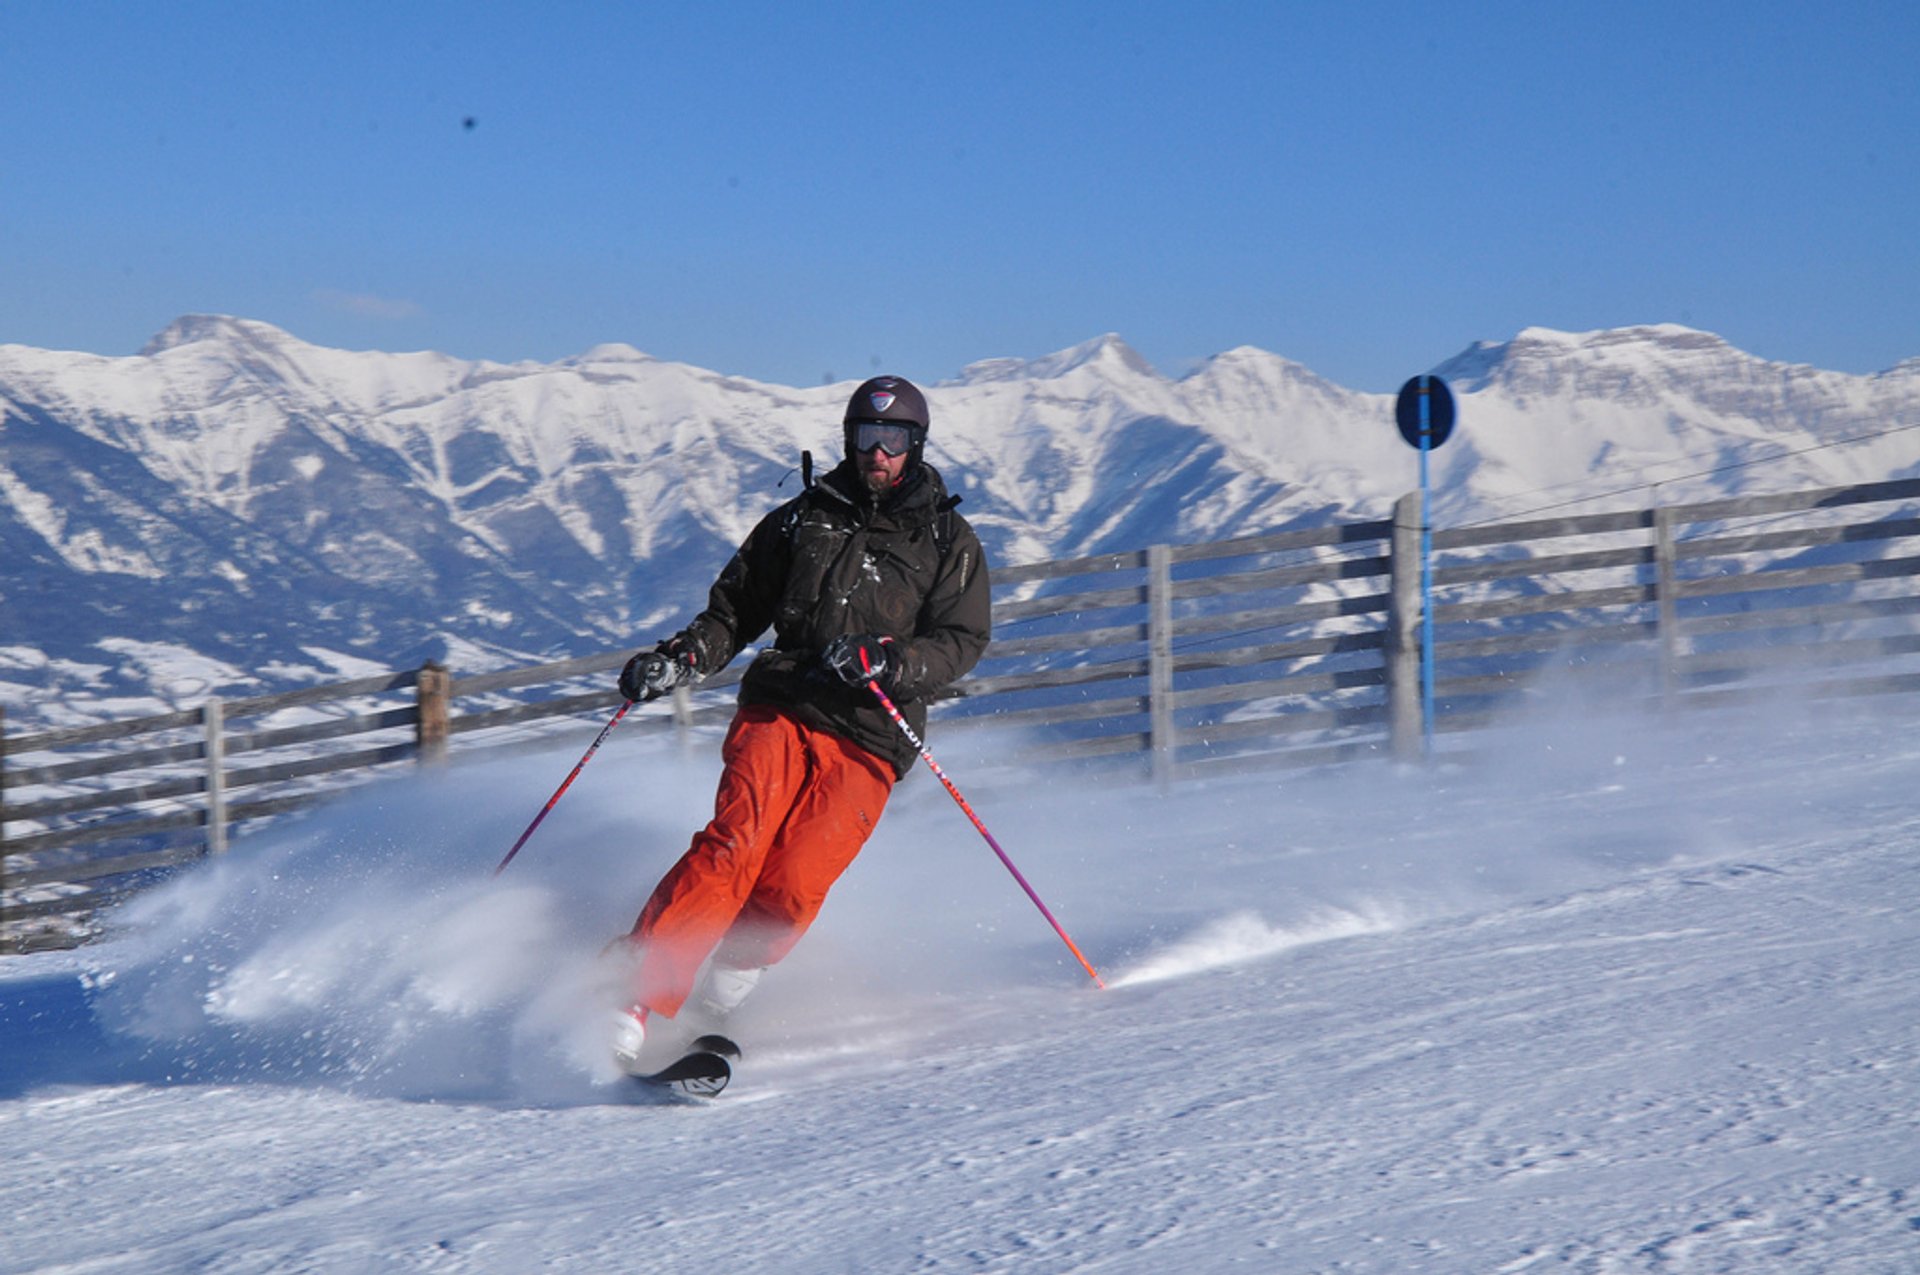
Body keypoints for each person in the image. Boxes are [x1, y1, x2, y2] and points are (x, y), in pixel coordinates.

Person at [606, 375, 991, 1071]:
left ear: (915, 446)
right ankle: (632, 994)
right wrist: (684, 657)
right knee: (736, 844)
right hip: (784, 703)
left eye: (894, 439)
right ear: (849, 439)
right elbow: (736, 607)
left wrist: (891, 658)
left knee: (796, 880)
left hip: (872, 729)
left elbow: (961, 640)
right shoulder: (803, 517)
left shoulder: (946, 540)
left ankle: (718, 997)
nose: (879, 452)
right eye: (867, 436)